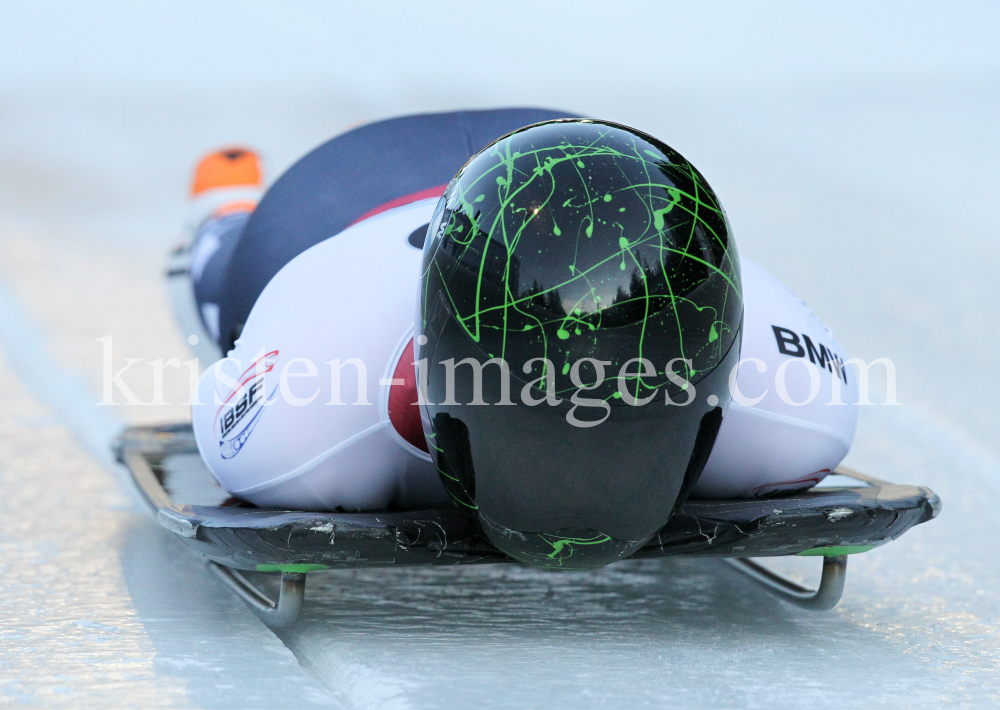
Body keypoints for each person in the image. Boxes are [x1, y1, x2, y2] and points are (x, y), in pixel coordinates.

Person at [174, 109, 858, 536]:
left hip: (569, 163)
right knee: (228, 287)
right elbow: (227, 398)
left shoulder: (800, 407)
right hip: (340, 199)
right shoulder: (304, 423)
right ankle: (228, 207)